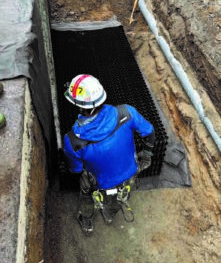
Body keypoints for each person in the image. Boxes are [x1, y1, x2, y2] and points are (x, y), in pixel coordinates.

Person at [63, 74, 155, 234]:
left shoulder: (72, 141)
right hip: (131, 174)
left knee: (85, 189)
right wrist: (146, 154)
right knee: (121, 196)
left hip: (100, 184)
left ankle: (86, 221)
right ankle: (110, 215)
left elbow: (76, 170)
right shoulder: (127, 112)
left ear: (81, 106)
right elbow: (149, 132)